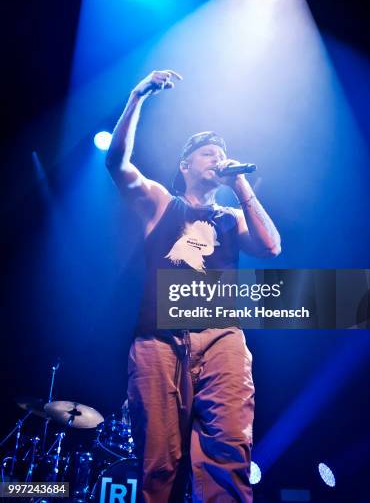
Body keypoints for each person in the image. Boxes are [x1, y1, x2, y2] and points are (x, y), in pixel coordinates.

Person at [106, 70, 281, 502]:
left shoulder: (231, 217)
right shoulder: (163, 203)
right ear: (186, 165)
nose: (216, 158)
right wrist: (137, 96)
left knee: (228, 453)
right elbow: (117, 165)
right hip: (158, 341)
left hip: (221, 336)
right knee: (159, 463)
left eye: (220, 154)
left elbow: (271, 247)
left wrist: (238, 182)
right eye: (207, 154)